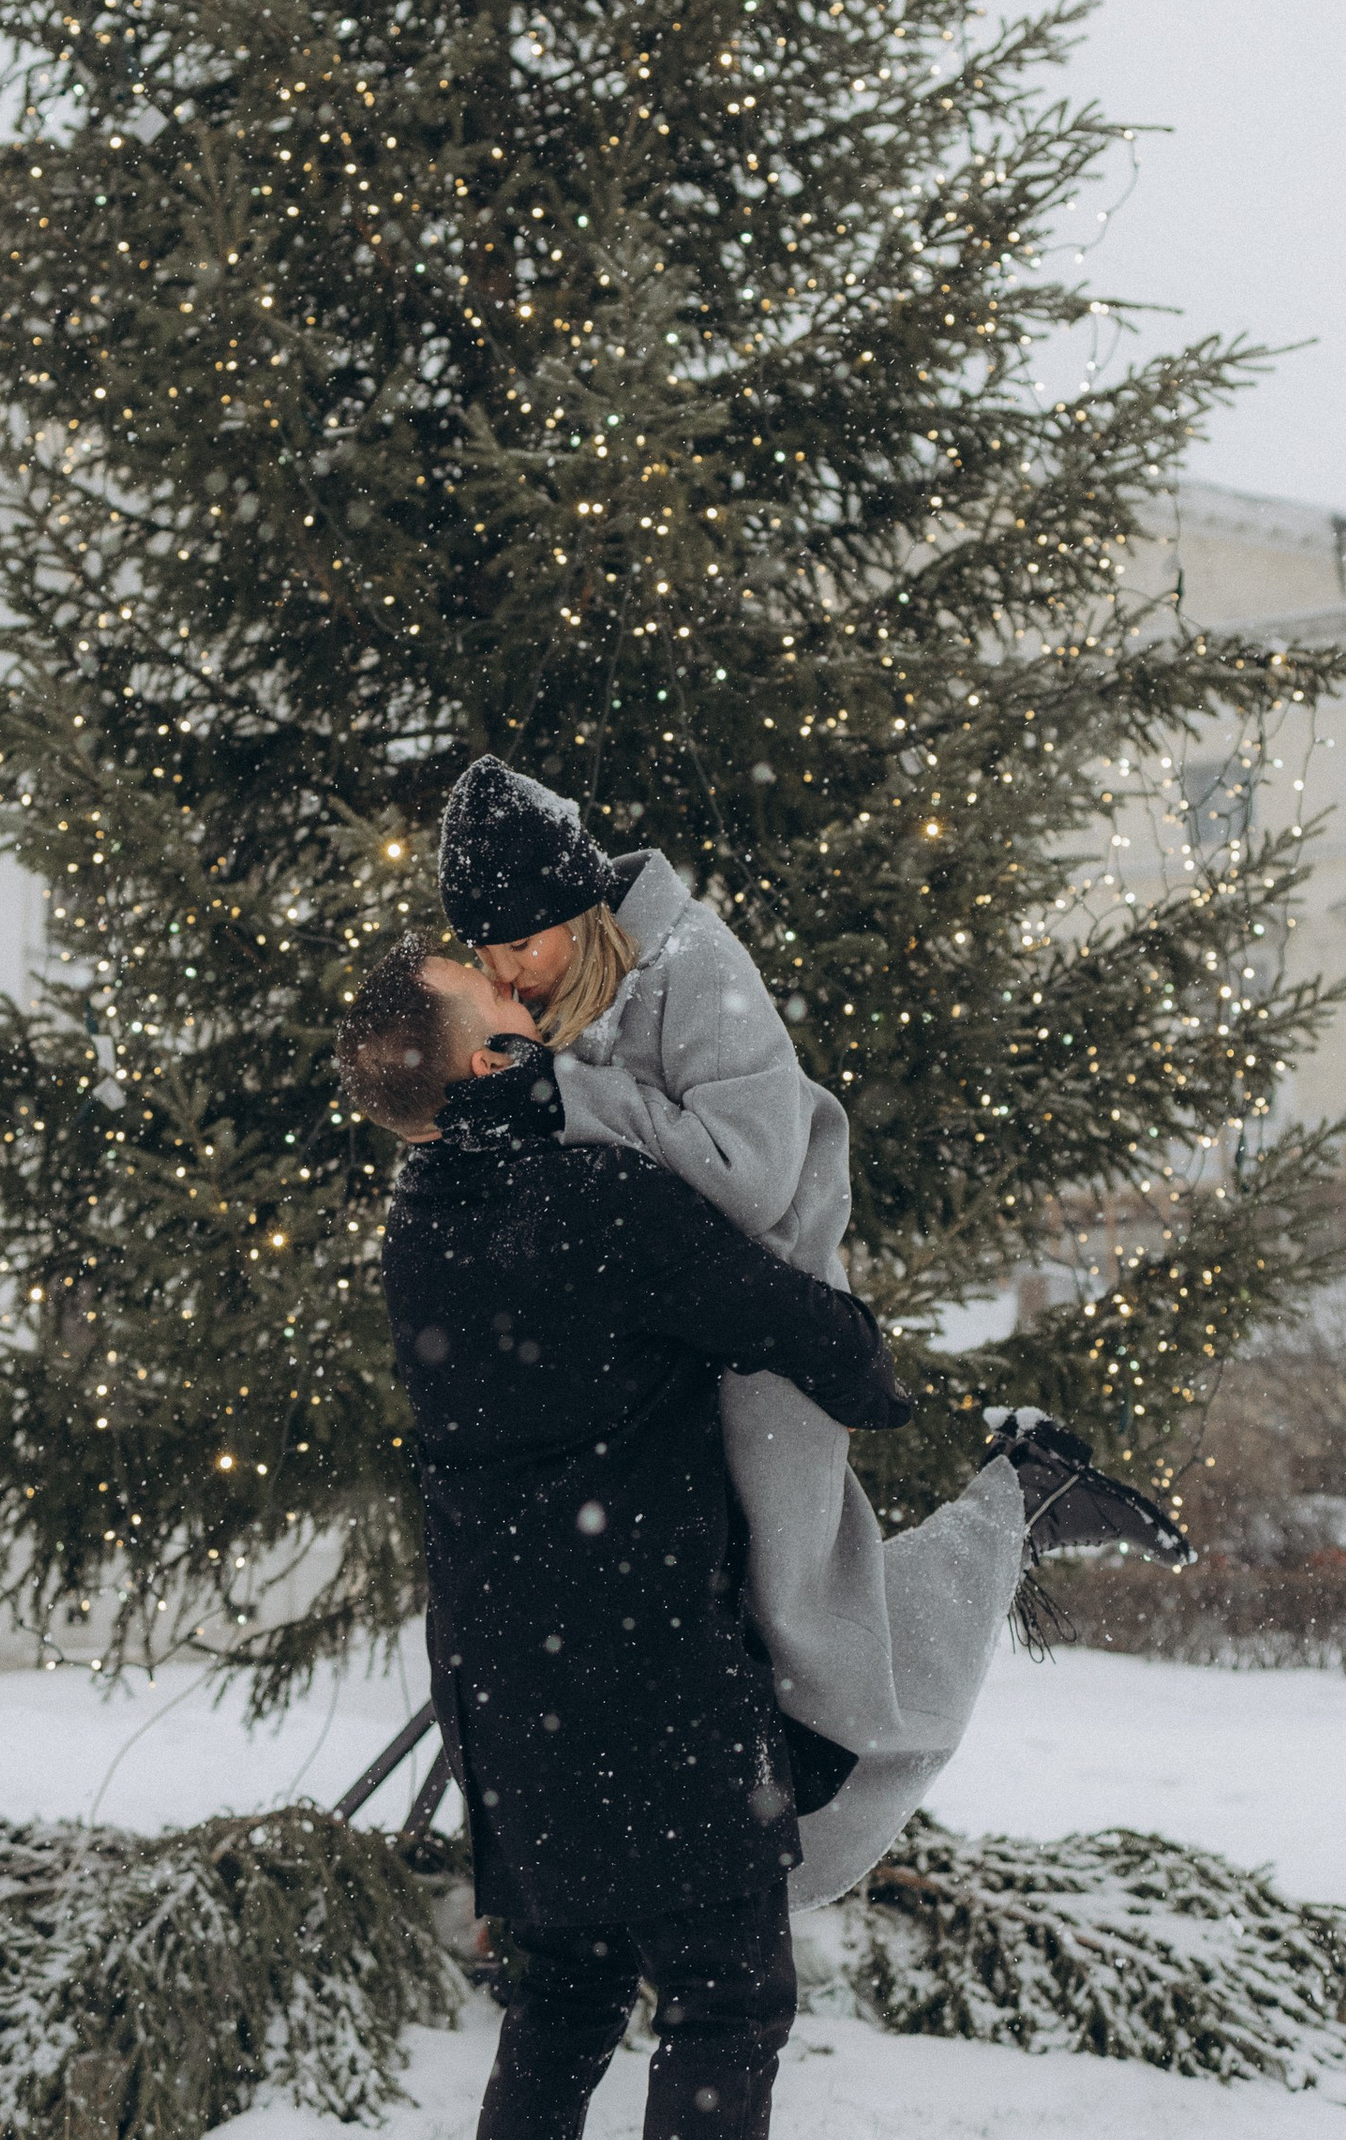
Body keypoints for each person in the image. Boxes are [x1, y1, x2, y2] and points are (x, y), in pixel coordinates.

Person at [339, 931, 905, 2140]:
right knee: (727, 2003)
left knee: (564, 2005)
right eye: (508, 1009)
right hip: (650, 1677)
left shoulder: (422, 1227)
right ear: (481, 1072)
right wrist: (874, 1370)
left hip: (508, 1695)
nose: (538, 1011)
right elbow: (822, 1341)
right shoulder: (592, 1206)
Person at [436, 755, 1187, 1898]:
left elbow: (750, 1172)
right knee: (718, 1638)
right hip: (667, 1361)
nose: (503, 970)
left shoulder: (695, 966)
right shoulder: (571, 996)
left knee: (809, 1646)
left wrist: (563, 1102)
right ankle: (681, 1881)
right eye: (482, 951)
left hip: (766, 1347)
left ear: (579, 910)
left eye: (518, 943)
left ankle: (1013, 1503)